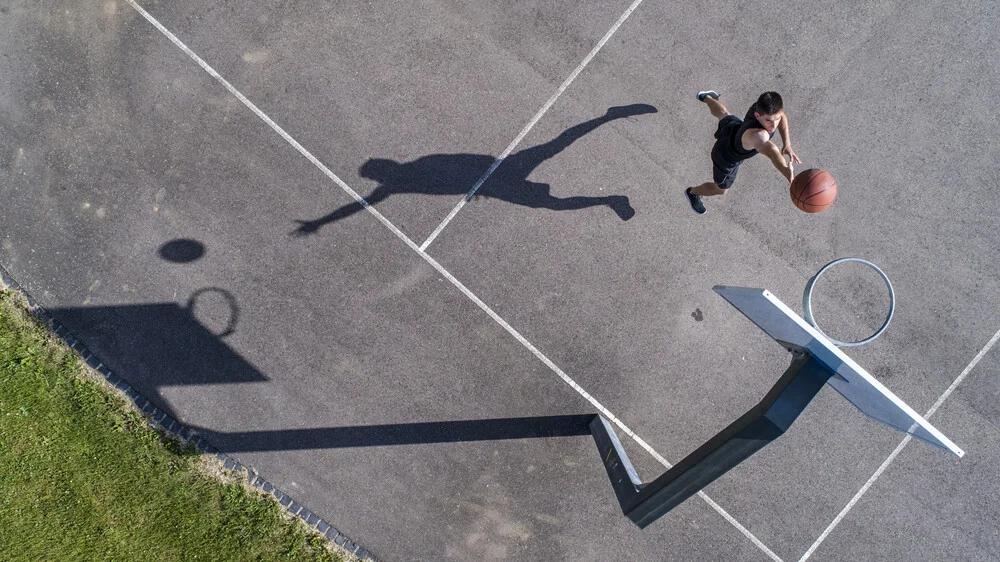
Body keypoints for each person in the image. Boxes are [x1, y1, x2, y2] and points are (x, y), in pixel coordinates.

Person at [685, 91, 801, 215]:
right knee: (721, 189)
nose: (773, 126)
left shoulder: (763, 107)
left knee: (724, 115)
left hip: (734, 129)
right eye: (768, 120)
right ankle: (693, 192)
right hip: (726, 157)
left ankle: (706, 97)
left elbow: (782, 115)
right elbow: (772, 151)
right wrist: (784, 170)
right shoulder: (758, 136)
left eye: (776, 119)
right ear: (757, 115)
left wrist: (787, 144)